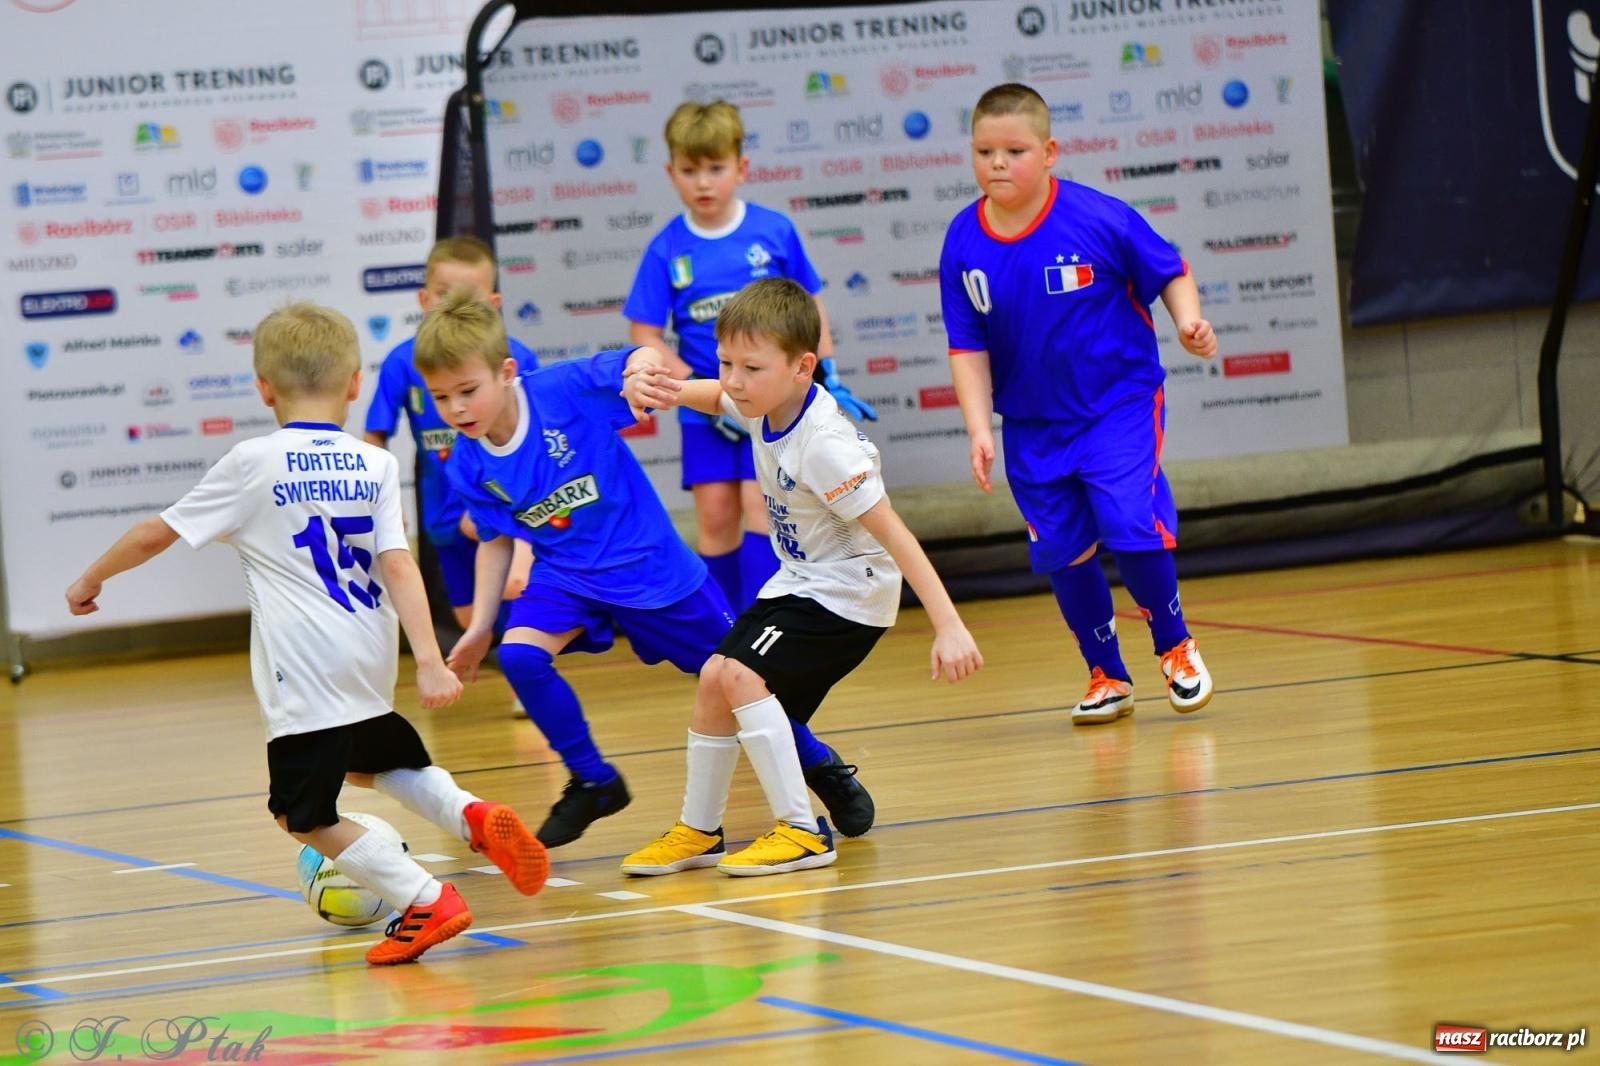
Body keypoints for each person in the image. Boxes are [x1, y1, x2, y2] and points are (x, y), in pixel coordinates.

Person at [64, 302, 549, 966]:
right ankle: (466, 812)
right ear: (355, 383)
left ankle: (423, 898)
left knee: (302, 814)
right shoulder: (373, 465)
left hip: (305, 670)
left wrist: (92, 578)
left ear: (264, 387)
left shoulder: (251, 462)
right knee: (382, 762)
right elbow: (400, 565)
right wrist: (430, 660)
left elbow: (159, 531)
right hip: (368, 658)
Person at [414, 290, 878, 850]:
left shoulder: (562, 390)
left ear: (506, 373)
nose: (458, 408)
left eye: (468, 391)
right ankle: (594, 780)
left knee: (740, 682)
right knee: (518, 655)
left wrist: (639, 375)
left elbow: (638, 360)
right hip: (568, 577)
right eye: (442, 398)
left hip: (654, 574)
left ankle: (819, 764)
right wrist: (479, 627)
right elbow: (494, 541)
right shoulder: (466, 462)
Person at [618, 278, 983, 877]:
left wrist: (948, 625)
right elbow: (719, 399)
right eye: (725, 362)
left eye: (750, 367)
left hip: (852, 592)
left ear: (802, 366)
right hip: (804, 580)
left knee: (738, 674)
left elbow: (897, 537)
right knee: (714, 676)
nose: (734, 379)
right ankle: (700, 831)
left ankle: (801, 830)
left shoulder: (824, 446)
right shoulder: (766, 399)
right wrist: (677, 390)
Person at [938, 83, 1218, 727]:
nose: (998, 163)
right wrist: (980, 428)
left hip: (1116, 407)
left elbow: (1170, 270)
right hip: (1032, 428)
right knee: (1062, 551)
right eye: (984, 151)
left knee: (1127, 522)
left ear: (1050, 152)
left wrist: (1189, 321)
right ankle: (1106, 675)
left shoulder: (1099, 218)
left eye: (1014, 150)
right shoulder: (962, 241)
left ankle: (1175, 646)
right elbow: (966, 343)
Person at [623, 99, 875, 612]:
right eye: (690, 170)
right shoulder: (665, 249)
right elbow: (645, 333)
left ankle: (765, 628)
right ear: (672, 173)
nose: (703, 182)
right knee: (715, 516)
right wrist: (704, 388)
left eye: (715, 168)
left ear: (741, 168)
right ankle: (724, 633)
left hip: (777, 405)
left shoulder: (773, 231)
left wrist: (829, 371)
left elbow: (811, 304)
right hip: (710, 409)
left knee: (764, 507)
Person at [363, 236, 539, 634]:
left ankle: (523, 674)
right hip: (442, 513)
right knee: (468, 615)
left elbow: (536, 436)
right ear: (424, 300)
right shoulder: (400, 362)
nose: (454, 307)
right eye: (444, 295)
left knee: (517, 592)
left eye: (469, 296)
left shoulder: (519, 358)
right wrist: (378, 499)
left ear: (493, 305)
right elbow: (375, 434)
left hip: (505, 506)